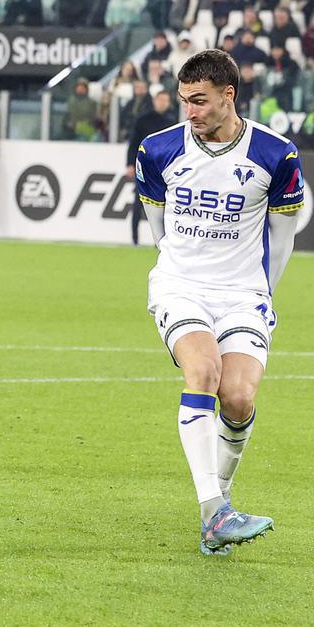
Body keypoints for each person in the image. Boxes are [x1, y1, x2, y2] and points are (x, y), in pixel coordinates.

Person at [135, 49, 304, 555]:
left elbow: (285, 234)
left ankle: (221, 499)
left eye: (200, 101)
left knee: (238, 398)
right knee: (203, 372)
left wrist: (261, 296)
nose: (190, 111)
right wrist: (176, 271)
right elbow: (158, 228)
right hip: (180, 284)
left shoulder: (276, 155)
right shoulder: (157, 150)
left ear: (229, 95)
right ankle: (213, 509)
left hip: (243, 294)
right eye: (185, 100)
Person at [124, 90, 174, 245]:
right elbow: (134, 143)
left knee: (165, 206)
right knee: (139, 204)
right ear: (154, 101)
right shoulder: (142, 120)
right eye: (161, 100)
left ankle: (160, 241)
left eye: (166, 100)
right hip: (144, 168)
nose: (163, 103)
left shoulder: (171, 123)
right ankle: (134, 239)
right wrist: (130, 164)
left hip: (163, 169)